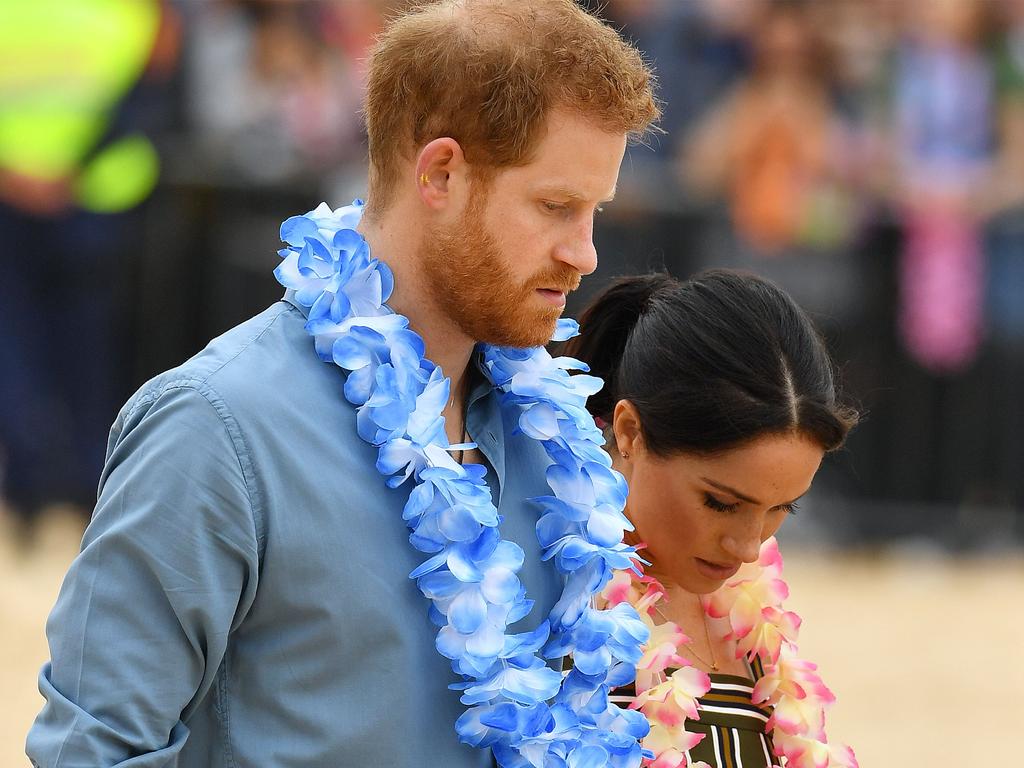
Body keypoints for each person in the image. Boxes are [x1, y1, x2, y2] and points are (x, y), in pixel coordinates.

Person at [26, 2, 658, 766]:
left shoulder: (555, 440)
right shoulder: (217, 426)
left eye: (596, 211)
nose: (586, 253)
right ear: (441, 173)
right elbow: (95, 750)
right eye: (556, 206)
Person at [562, 271, 859, 767]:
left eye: (783, 507)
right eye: (721, 503)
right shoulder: (541, 586)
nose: (748, 547)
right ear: (630, 431)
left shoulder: (751, 614)